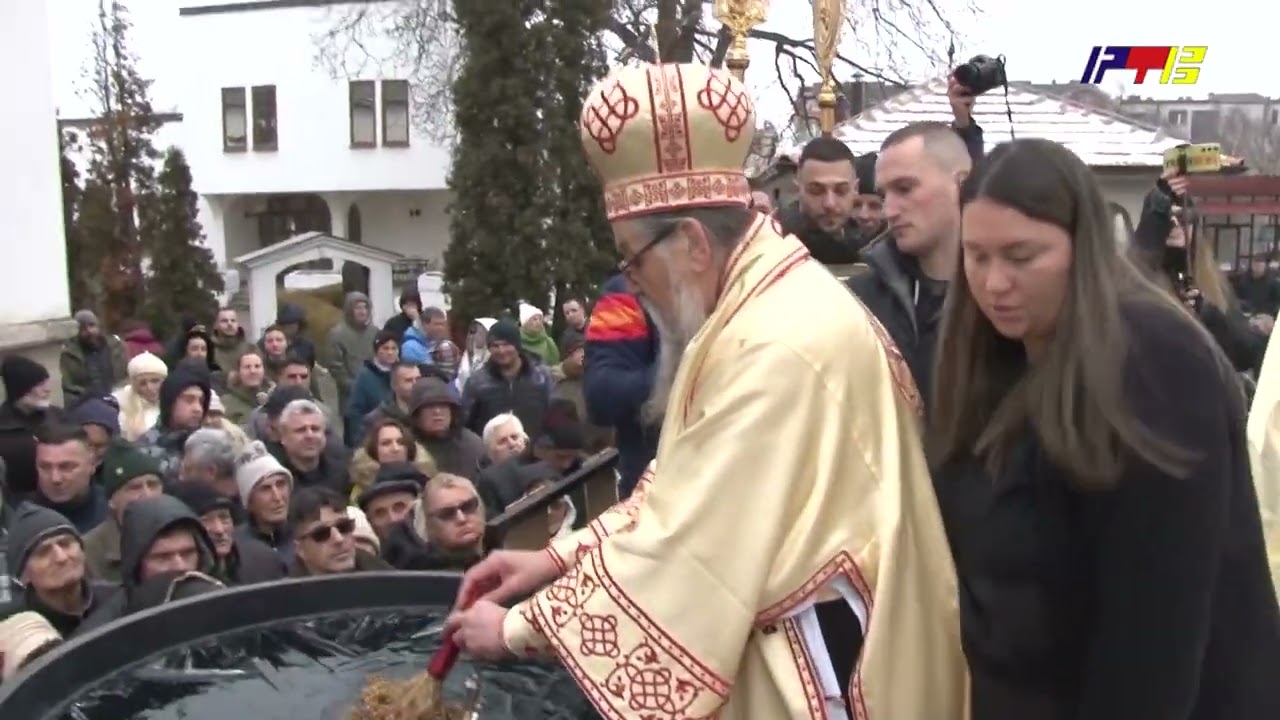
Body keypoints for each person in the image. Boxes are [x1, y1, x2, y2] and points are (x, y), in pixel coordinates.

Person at [446, 61, 964, 719]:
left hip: (825, 668)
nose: (630, 281)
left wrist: (521, 629)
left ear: (690, 242)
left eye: (633, 256)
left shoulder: (774, 342)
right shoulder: (752, 304)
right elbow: (681, 488)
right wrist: (554, 559)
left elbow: (693, 549)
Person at [929, 137, 1279, 718]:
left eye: (1021, 257)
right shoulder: (995, 353)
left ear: (1082, 247)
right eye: (976, 256)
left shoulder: (1154, 362)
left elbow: (1155, 632)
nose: (993, 284)